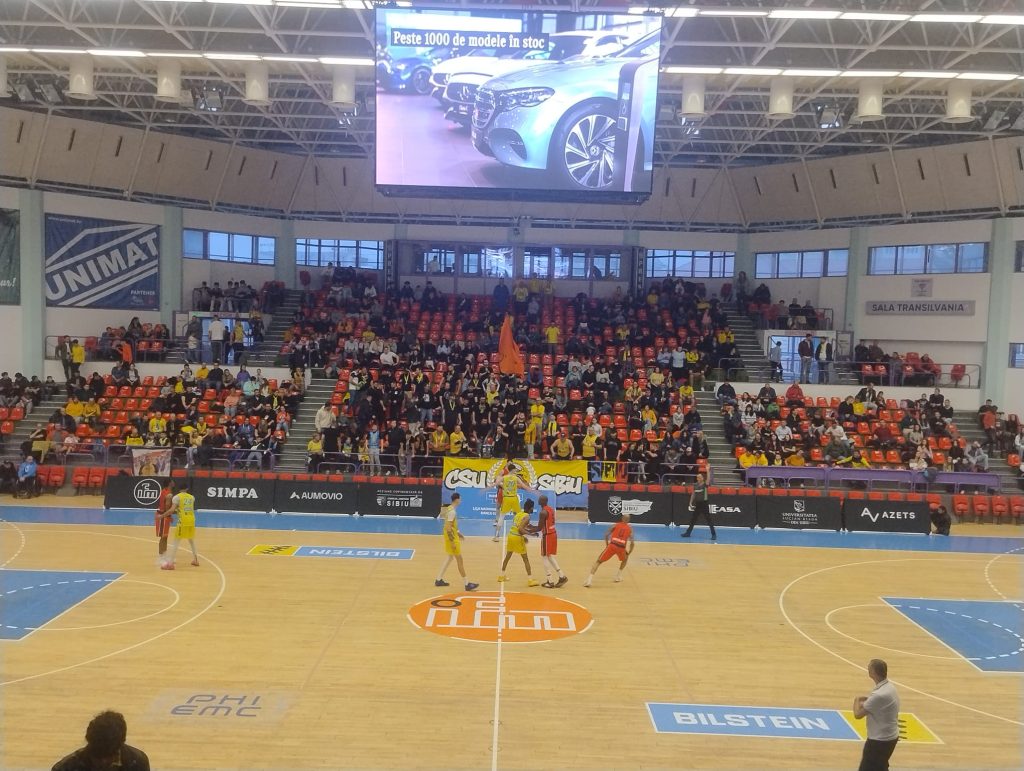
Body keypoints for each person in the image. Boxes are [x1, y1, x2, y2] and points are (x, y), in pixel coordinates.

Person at [52, 709, 150, 771]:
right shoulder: (65, 769)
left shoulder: (137, 762)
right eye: (97, 756)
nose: (103, 762)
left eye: (108, 757)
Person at [852, 658, 900, 771]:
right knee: (880, 766)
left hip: (879, 741)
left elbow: (858, 715)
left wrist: (856, 700)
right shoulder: (889, 687)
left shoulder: (879, 695)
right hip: (891, 737)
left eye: (869, 668)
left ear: (873, 672)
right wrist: (870, 701)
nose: (867, 669)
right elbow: (877, 703)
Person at [435, 493, 479, 591]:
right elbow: (448, 528)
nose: (461, 501)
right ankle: (467, 584)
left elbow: (451, 525)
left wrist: (458, 533)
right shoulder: (452, 512)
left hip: (450, 536)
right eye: (460, 499)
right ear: (457, 500)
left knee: (450, 558)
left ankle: (438, 579)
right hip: (451, 538)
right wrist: (452, 542)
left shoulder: (449, 508)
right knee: (459, 560)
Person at [583, 513, 634, 587]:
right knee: (625, 559)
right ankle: (618, 576)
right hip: (621, 547)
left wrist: (607, 544)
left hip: (612, 545)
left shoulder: (615, 525)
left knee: (598, 561)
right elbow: (632, 542)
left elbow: (606, 535)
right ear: (628, 520)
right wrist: (629, 552)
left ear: (622, 518)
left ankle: (589, 580)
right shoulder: (630, 529)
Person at [497, 498, 540, 587]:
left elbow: (521, 526)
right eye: (533, 508)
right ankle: (530, 580)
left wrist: (533, 529)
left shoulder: (519, 514)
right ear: (531, 508)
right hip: (517, 537)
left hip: (511, 535)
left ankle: (501, 576)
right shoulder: (527, 517)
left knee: (507, 556)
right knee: (525, 559)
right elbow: (520, 529)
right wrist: (530, 534)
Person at [160, 483, 199, 570]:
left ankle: (170, 564)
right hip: (192, 520)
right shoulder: (192, 497)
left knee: (176, 542)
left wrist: (162, 516)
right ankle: (196, 560)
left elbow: (171, 510)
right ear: (187, 489)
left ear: (179, 489)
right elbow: (185, 507)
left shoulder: (177, 497)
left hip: (183, 521)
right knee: (191, 540)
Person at [494, 462, 534, 542]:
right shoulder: (516, 478)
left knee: (502, 516)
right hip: (514, 498)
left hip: (507, 498)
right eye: (515, 469)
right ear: (512, 469)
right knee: (518, 516)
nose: (516, 470)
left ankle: (496, 535)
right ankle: (520, 534)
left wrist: (503, 485)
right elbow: (523, 485)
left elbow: (497, 482)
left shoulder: (505, 477)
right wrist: (530, 489)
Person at [536, 494, 568, 588]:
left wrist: (527, 530)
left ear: (543, 501)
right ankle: (562, 576)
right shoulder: (550, 509)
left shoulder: (543, 512)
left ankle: (550, 581)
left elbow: (539, 528)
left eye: (540, 499)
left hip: (547, 536)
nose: (538, 500)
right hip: (553, 534)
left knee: (544, 557)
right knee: (549, 556)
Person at [680, 471, 716, 541]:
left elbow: (708, 479)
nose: (698, 478)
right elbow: (693, 494)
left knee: (709, 520)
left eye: (700, 477)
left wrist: (708, 471)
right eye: (697, 477)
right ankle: (688, 533)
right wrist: (690, 502)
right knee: (693, 519)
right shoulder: (695, 485)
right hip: (698, 504)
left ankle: (713, 534)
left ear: (702, 478)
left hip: (704, 504)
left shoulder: (705, 485)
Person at [155, 479, 175, 561]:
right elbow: (167, 506)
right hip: (163, 516)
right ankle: (161, 557)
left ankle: (164, 555)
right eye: (172, 481)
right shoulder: (169, 495)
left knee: (165, 537)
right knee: (163, 537)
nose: (174, 482)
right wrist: (169, 516)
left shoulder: (164, 491)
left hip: (162, 514)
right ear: (169, 483)